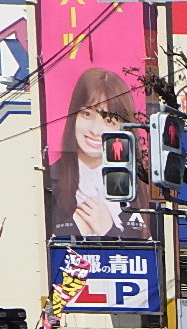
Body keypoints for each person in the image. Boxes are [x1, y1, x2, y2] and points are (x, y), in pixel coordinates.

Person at [47, 67, 150, 240]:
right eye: (87, 114)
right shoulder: (49, 179)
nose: (96, 130)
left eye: (109, 120)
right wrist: (75, 228)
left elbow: (145, 255)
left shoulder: (139, 187)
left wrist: (108, 229)